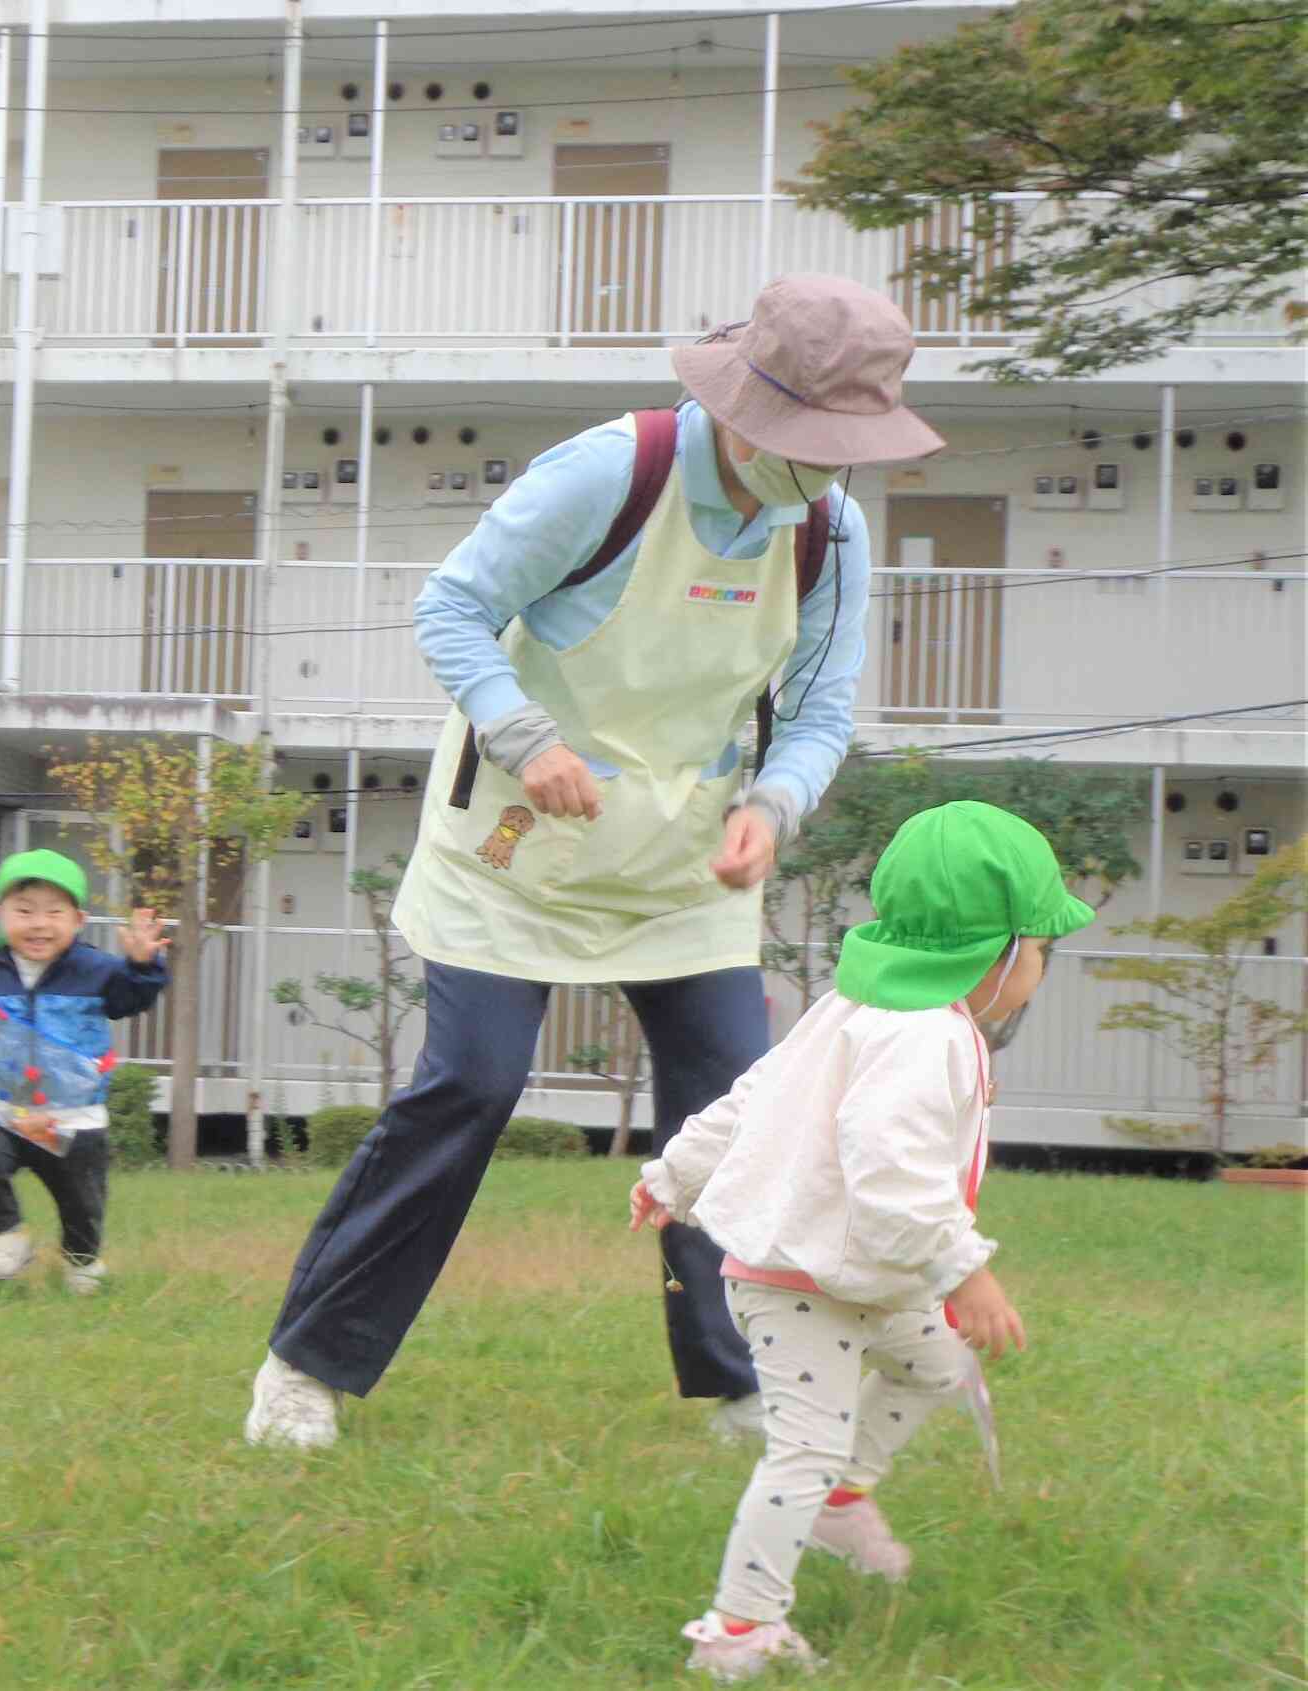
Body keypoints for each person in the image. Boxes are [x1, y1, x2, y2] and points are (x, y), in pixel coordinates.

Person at [247, 274, 947, 1450]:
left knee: (737, 1109)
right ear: (742, 402)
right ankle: (305, 1365)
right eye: (807, 440)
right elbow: (451, 606)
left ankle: (739, 1377)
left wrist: (773, 807)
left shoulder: (829, 527)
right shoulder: (610, 472)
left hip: (685, 863)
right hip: (516, 845)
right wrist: (526, 737)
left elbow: (822, 709)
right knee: (467, 1084)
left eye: (843, 447)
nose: (822, 467)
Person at [628, 800, 1094, 1681]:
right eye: (1036, 947)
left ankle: (843, 1503)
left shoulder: (857, 1003)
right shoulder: (922, 1037)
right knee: (800, 1445)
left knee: (935, 1365)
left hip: (861, 1273)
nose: (1037, 966)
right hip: (803, 1284)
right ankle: (739, 1631)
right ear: (992, 952)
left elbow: (754, 1091)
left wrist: (673, 1173)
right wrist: (965, 1273)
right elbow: (891, 1179)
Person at [0, 849, 168, 1294]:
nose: (39, 924)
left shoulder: (95, 970)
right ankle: (7, 1236)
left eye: (54, 913)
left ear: (77, 920)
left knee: (81, 1201)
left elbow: (132, 999)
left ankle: (82, 1262)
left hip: (74, 1113)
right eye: (24, 912)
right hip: (8, 1106)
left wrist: (143, 966)